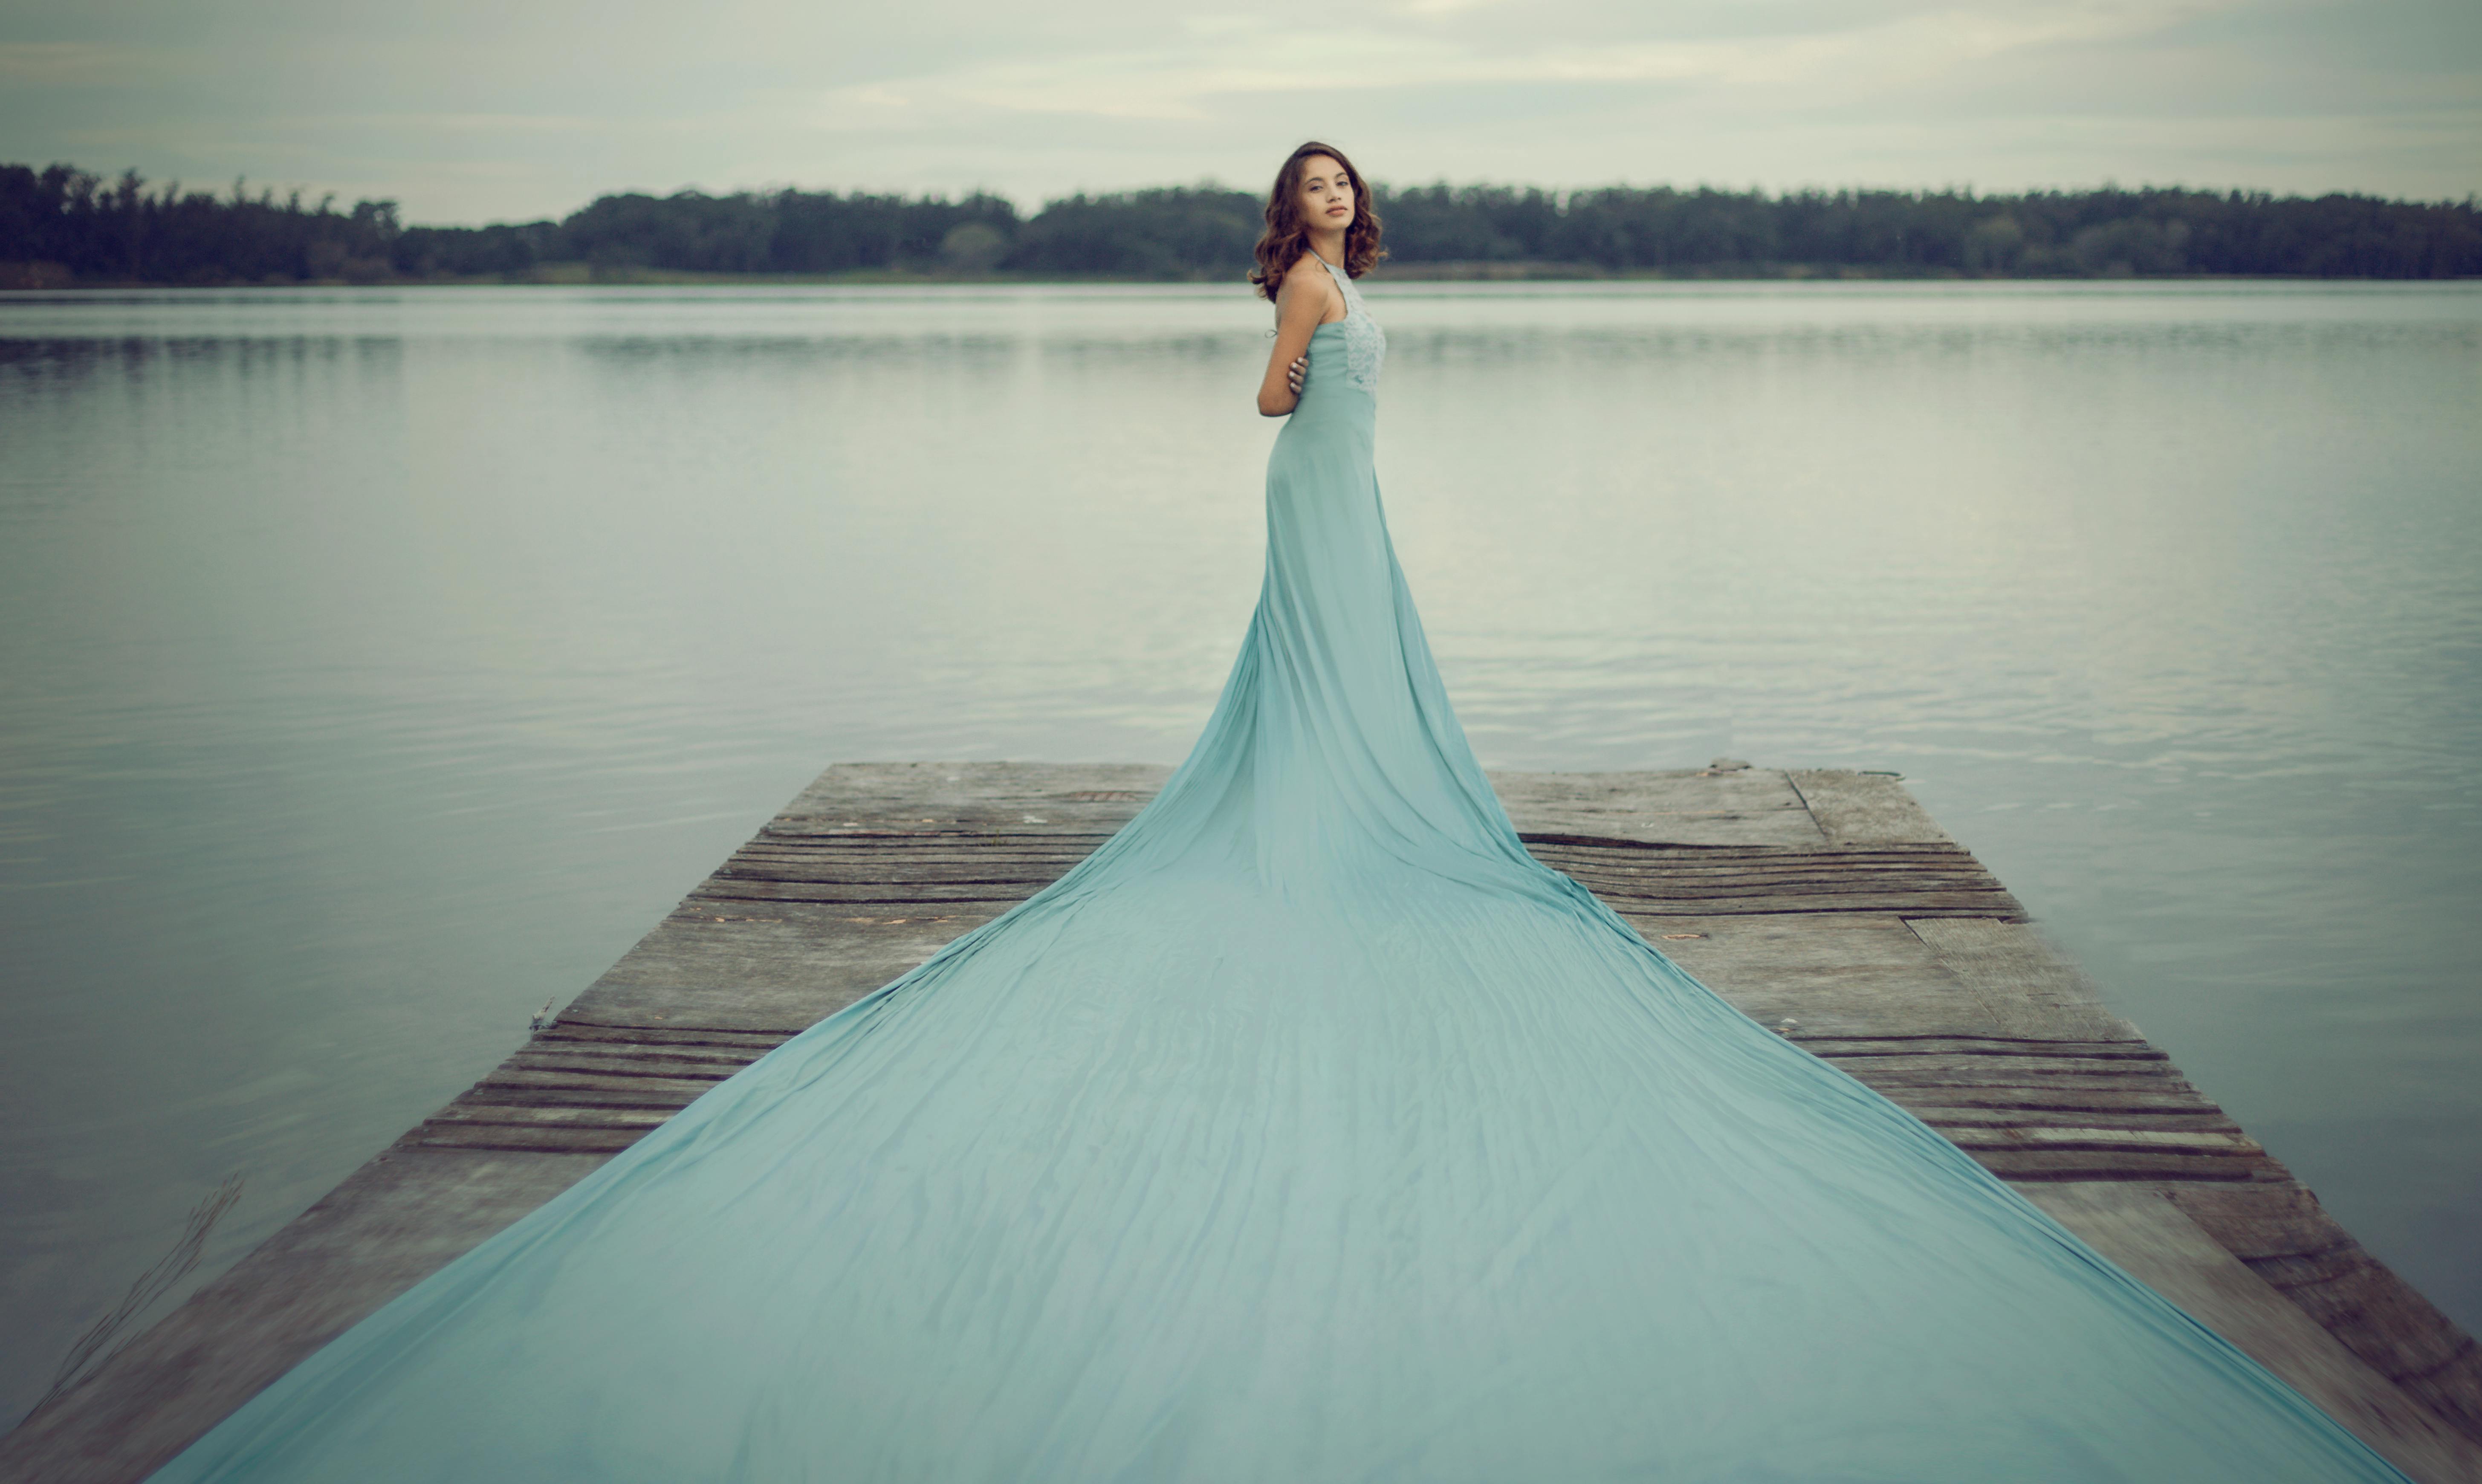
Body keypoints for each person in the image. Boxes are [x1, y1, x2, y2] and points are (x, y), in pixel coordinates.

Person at [148, 143, 2406, 1482]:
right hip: (1321, 507)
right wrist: (1306, 341)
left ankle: (1340, 795)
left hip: (1355, 523)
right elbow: (1262, 404)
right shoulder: (1310, 298)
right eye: (1305, 198)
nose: (1325, 216)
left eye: (1340, 192)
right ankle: (1326, 820)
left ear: (1360, 201)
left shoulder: (1354, 269)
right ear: (1287, 220)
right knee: (1324, 732)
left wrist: (1337, 392)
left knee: (1345, 708)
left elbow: (1310, 406)